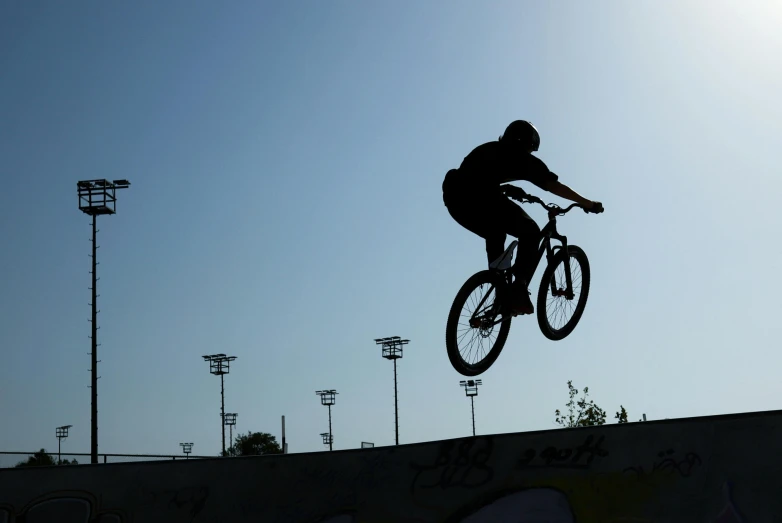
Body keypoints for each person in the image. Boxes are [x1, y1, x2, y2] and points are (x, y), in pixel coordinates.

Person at [442, 120, 603, 316]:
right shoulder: (523, 160)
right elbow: (554, 186)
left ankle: (499, 286)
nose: (529, 153)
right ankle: (518, 289)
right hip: (477, 198)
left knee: (495, 232)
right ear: (526, 144)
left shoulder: (489, 149)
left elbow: (476, 179)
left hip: (456, 201)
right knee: (531, 231)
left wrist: (505, 189)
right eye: (530, 149)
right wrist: (588, 203)